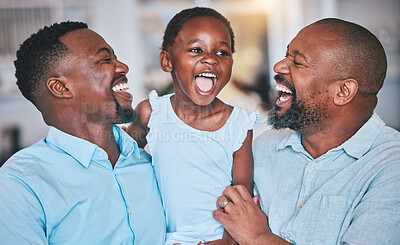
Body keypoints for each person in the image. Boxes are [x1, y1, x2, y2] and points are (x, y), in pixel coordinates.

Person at [212, 18, 400, 245]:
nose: (278, 66)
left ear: (343, 91)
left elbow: (248, 234)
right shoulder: (263, 148)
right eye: (286, 55)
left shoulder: (391, 167)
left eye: (298, 63)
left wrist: (258, 237)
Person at [0, 21, 165, 244]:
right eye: (105, 59)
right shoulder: (19, 184)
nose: (123, 67)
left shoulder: (154, 161)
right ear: (62, 87)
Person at [126, 7, 259, 245]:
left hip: (220, 239)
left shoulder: (238, 124)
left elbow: (242, 198)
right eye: (196, 50)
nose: (211, 59)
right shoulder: (151, 113)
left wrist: (226, 243)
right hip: (162, 239)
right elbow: (127, 164)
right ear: (167, 61)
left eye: (222, 52)